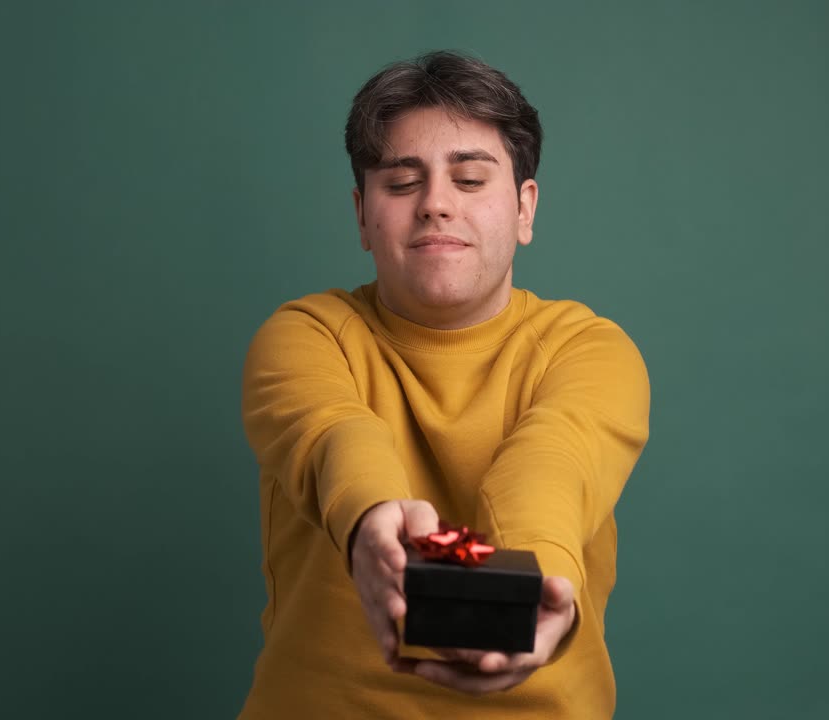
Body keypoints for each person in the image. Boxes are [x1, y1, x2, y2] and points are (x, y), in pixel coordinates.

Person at [237, 50, 650, 718]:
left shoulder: (592, 350)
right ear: (362, 215)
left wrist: (534, 585)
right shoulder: (304, 334)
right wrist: (374, 520)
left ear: (524, 207)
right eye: (401, 183)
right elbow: (335, 435)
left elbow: (553, 459)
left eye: (468, 179)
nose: (434, 204)